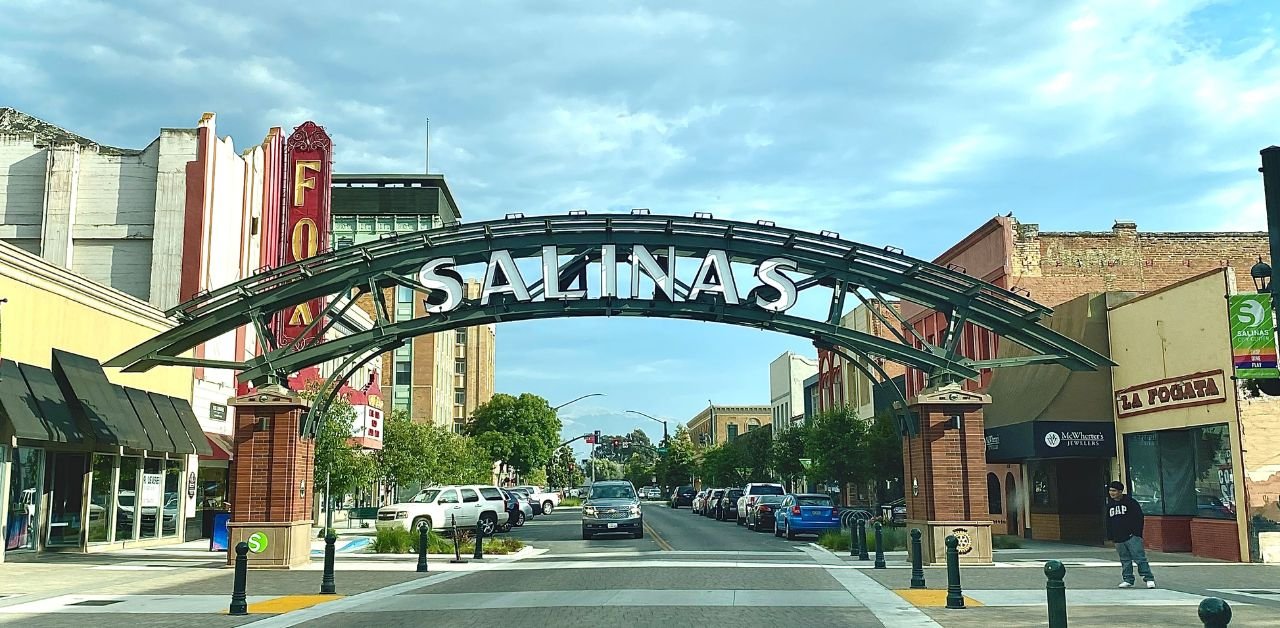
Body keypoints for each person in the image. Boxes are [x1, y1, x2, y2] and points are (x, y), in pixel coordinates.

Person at [1106, 480, 1156, 589]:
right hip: (1118, 538)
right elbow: (1108, 521)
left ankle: (1148, 578)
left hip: (1132, 536)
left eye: (1114, 491)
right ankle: (1128, 579)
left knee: (1139, 558)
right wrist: (1111, 536)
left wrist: (1136, 533)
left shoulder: (1131, 502)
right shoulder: (1110, 505)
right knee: (1125, 560)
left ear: (1120, 491)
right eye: (1110, 490)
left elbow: (1139, 518)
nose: (1111, 493)